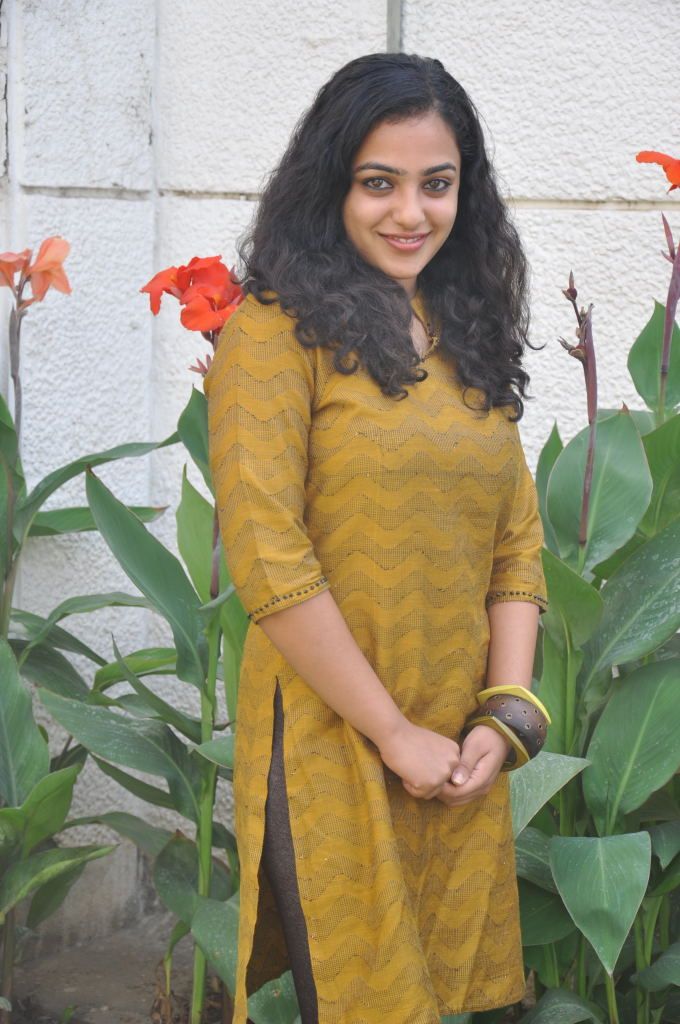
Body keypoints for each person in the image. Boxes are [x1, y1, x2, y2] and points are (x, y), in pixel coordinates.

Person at [204, 51, 549, 1024]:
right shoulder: (273, 335)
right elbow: (267, 557)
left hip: (458, 749)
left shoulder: (464, 330)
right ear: (331, 187)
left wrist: (503, 722)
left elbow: (514, 545)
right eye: (378, 183)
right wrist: (392, 734)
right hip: (336, 737)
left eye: (435, 184)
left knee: (455, 999)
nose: (410, 212)